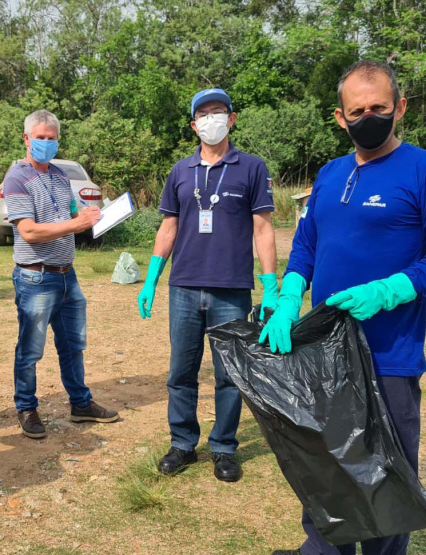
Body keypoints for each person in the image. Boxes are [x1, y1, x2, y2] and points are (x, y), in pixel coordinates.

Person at [264, 61, 426, 555]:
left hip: (388, 358)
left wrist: (389, 289)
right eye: (358, 110)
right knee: (327, 474)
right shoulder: (330, 175)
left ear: (399, 108)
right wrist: (289, 296)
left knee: (384, 485)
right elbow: (307, 246)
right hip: (324, 357)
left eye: (379, 107)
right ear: (340, 117)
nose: (368, 117)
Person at [137, 88, 278, 482]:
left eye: (219, 111)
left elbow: (263, 229)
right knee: (180, 371)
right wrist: (151, 279)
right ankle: (183, 443)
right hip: (183, 287)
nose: (211, 119)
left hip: (231, 289)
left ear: (232, 119)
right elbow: (168, 227)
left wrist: (271, 286)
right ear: (193, 124)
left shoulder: (251, 168)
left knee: (228, 374)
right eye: (204, 113)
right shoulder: (180, 171)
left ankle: (224, 447)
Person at [3, 109, 119, 440]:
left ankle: (80, 404)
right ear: (26, 138)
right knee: (31, 348)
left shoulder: (57, 175)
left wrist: (93, 216)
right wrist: (75, 223)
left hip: (68, 274)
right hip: (35, 278)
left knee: (72, 344)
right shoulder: (17, 178)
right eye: (40, 138)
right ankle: (26, 406)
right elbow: (29, 232)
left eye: (51, 139)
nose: (46, 143)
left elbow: (71, 214)